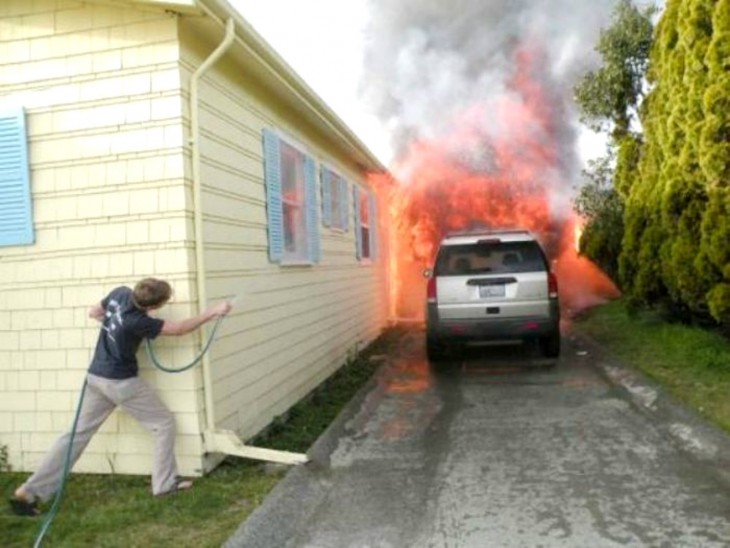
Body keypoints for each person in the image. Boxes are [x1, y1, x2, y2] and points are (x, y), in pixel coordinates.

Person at [9, 278, 232, 516]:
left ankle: (29, 491)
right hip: (120, 382)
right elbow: (178, 330)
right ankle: (164, 484)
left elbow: (94, 311)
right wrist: (213, 312)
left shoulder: (120, 293)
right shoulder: (139, 321)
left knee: (75, 436)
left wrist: (109, 322)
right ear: (153, 306)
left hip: (95, 378)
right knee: (163, 423)